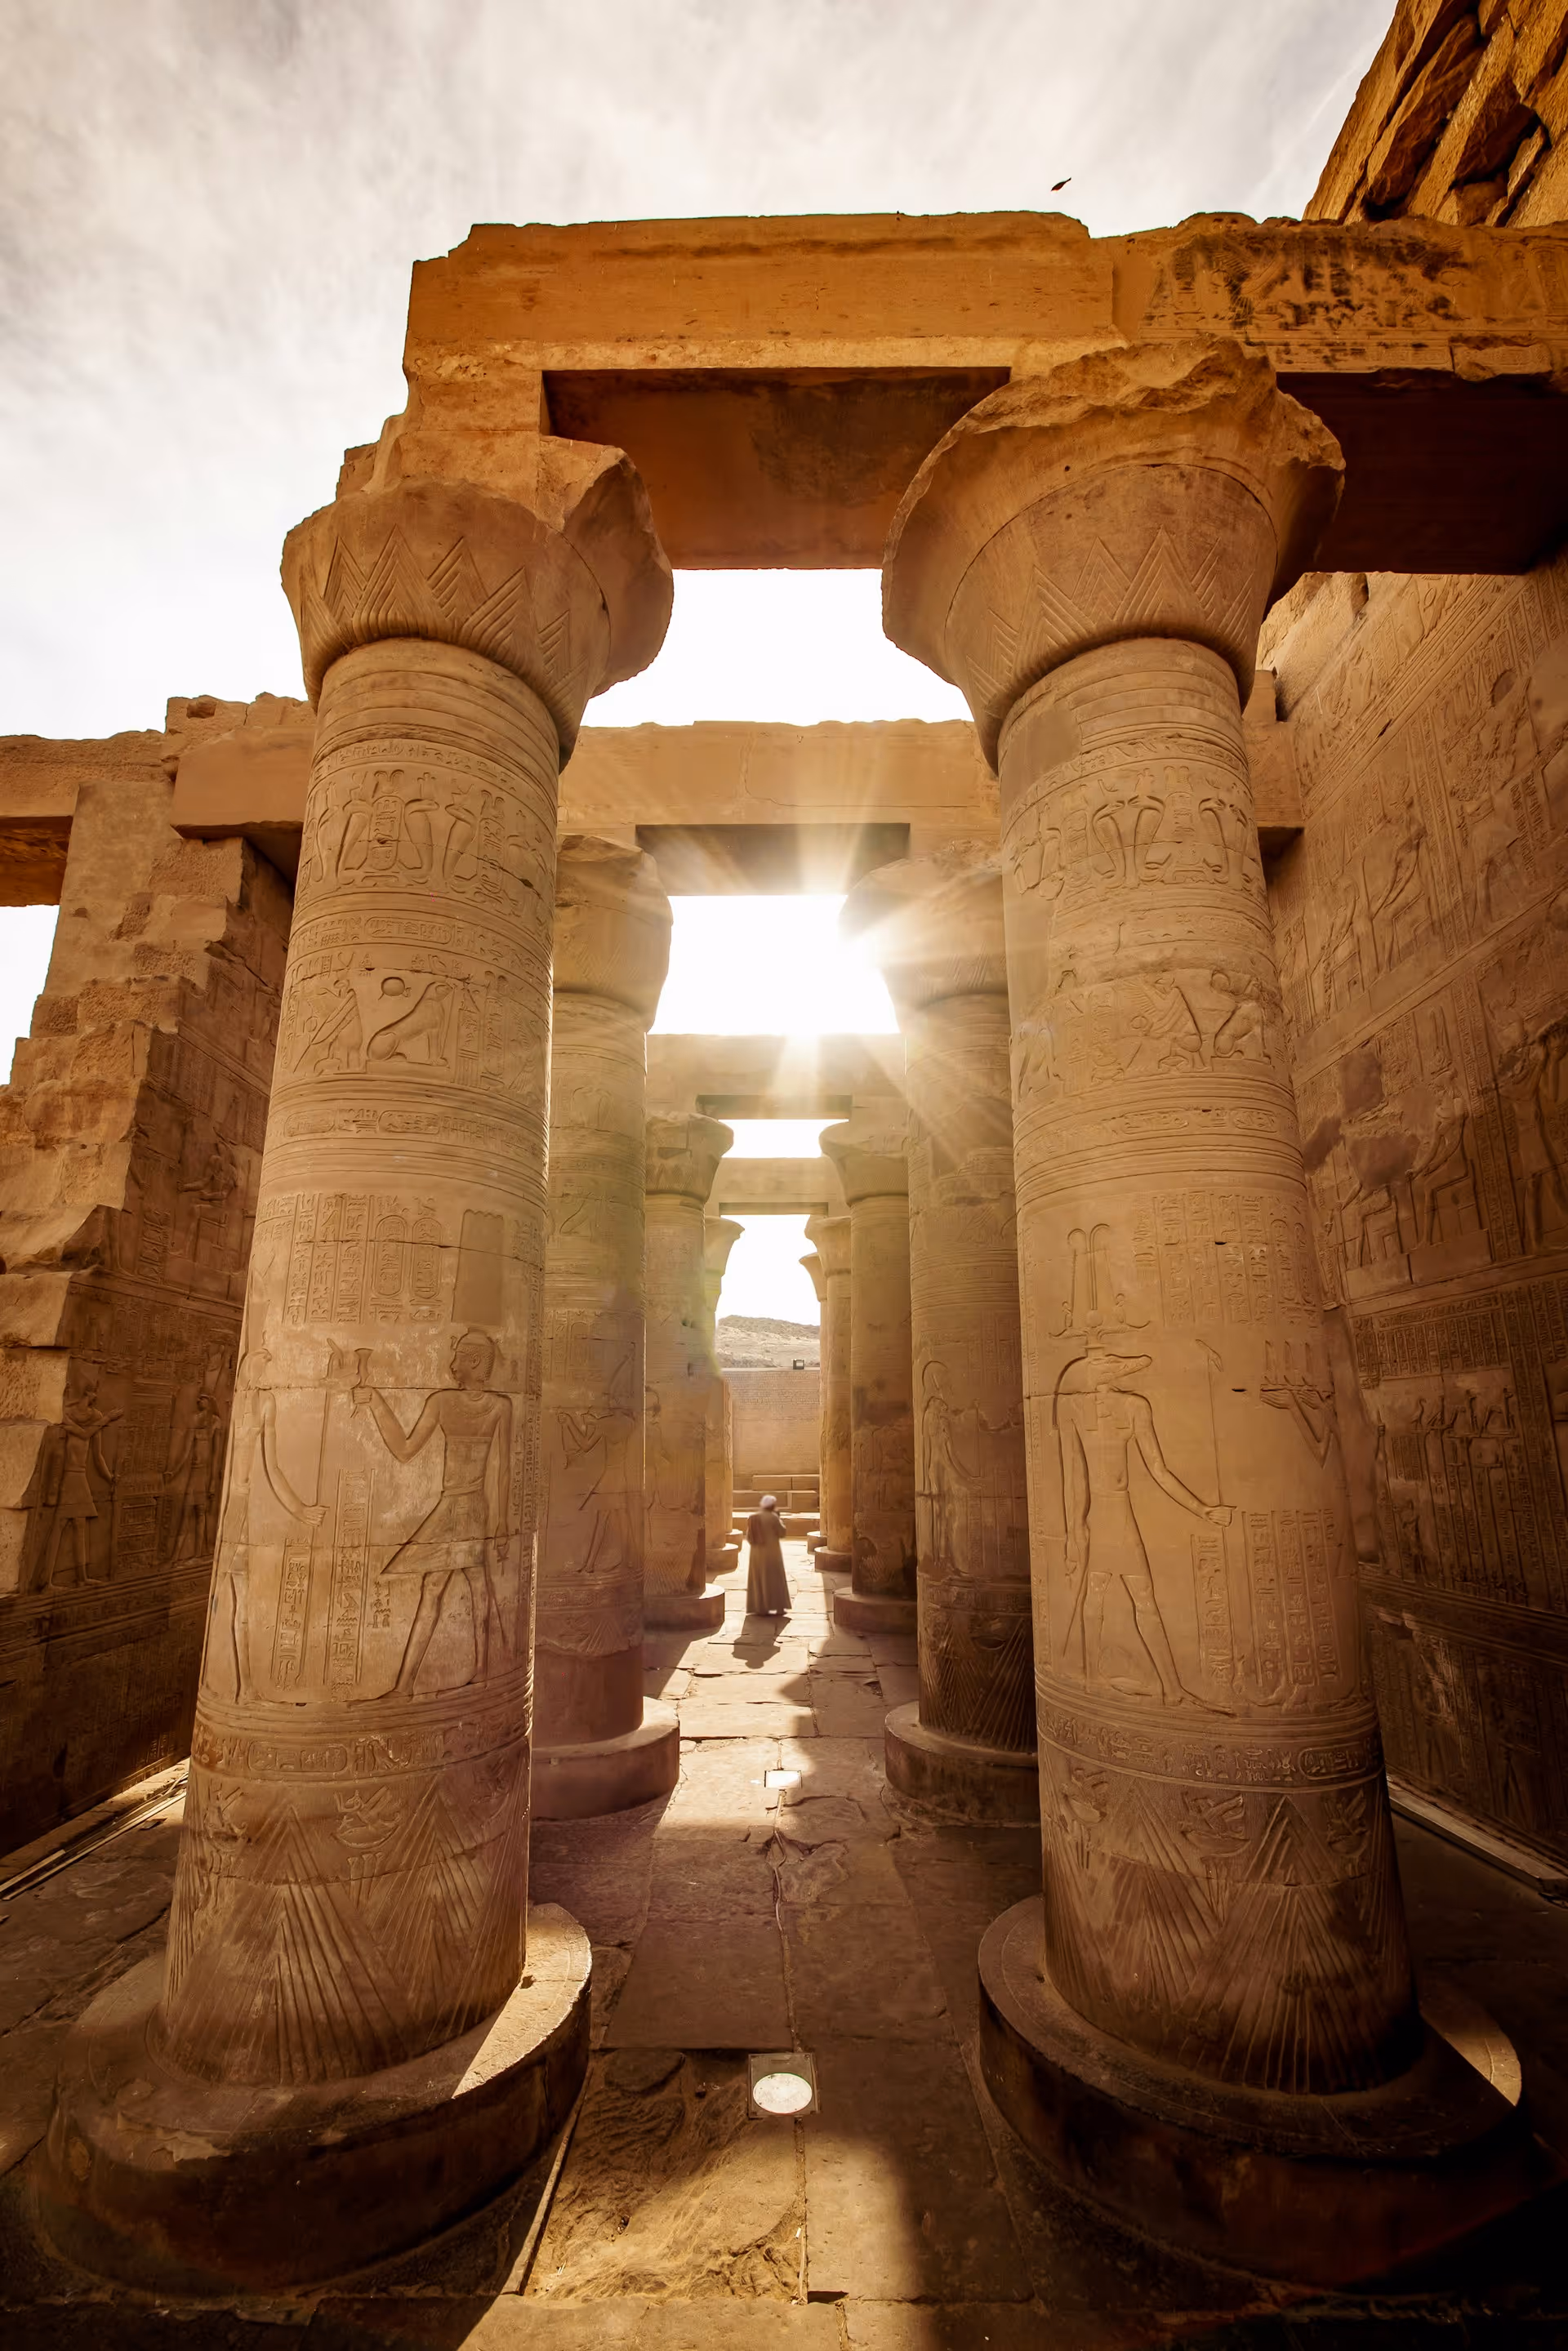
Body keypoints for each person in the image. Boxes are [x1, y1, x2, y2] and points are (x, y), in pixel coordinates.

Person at [745, 1493, 791, 1617]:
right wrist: (779, 1518)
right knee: (775, 1579)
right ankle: (779, 1607)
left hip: (756, 1555)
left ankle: (761, 1608)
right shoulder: (773, 1517)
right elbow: (782, 1533)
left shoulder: (753, 1518)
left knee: (759, 1579)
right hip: (772, 1553)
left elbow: (749, 1537)